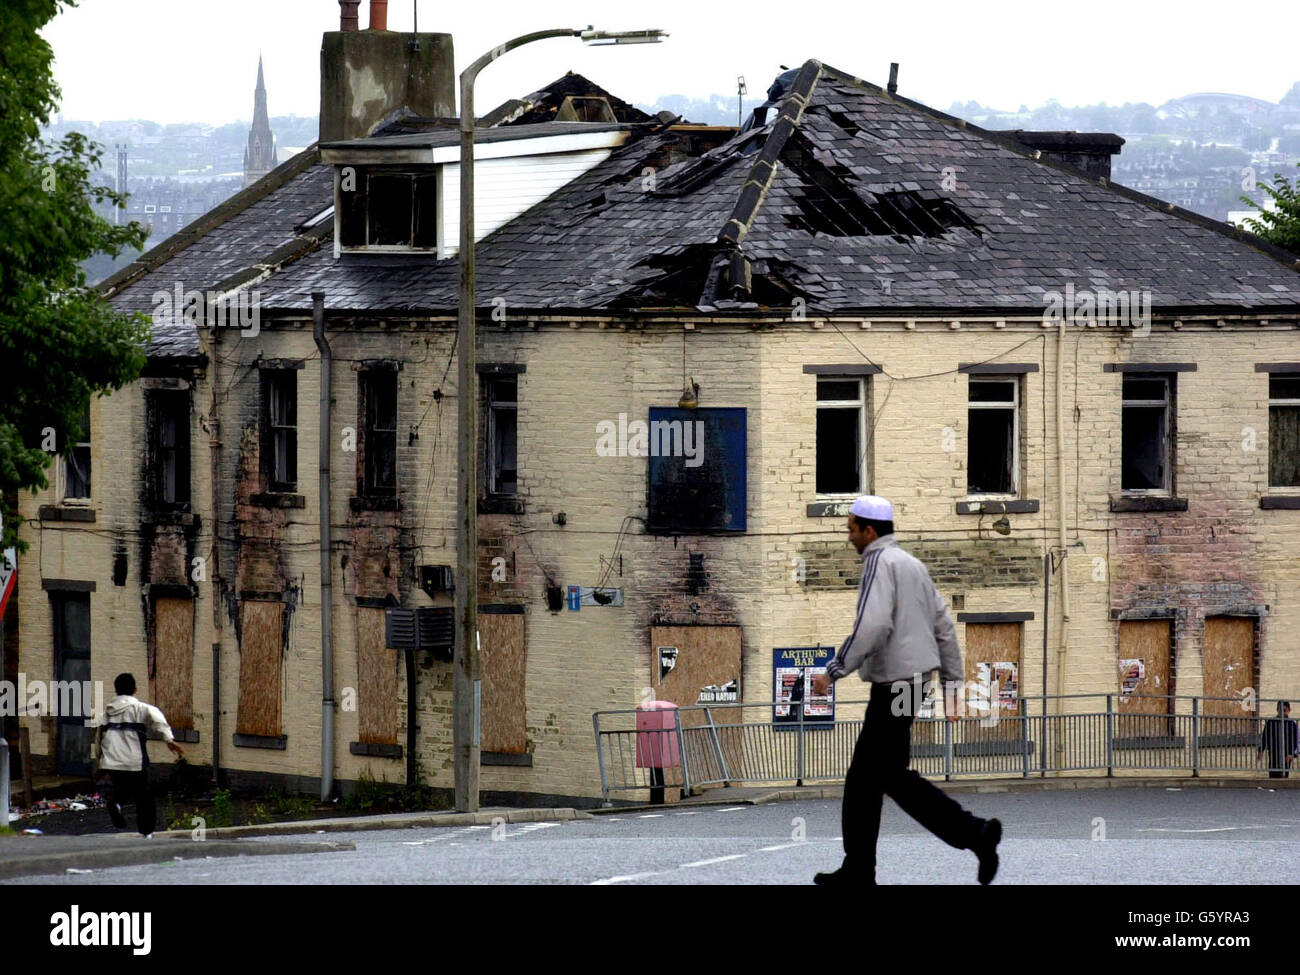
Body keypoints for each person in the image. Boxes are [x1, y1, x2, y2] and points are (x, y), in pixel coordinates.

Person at [811, 495, 1002, 885]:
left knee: (884, 777)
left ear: (869, 530)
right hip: (914, 685)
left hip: (893, 685)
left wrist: (833, 671)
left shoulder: (879, 563)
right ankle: (860, 869)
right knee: (873, 778)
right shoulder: (913, 566)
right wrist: (951, 686)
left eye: (851, 529)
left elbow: (872, 624)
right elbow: (944, 627)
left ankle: (975, 834)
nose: (848, 537)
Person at [94, 673, 183, 836]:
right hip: (134, 761)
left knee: (122, 789)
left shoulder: (105, 714)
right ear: (135, 690)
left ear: (116, 690)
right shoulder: (141, 708)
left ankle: (116, 803)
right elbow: (158, 720)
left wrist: (99, 764)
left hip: (111, 761)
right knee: (144, 796)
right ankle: (146, 831)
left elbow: (98, 738)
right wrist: (169, 739)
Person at [1259, 701, 1299, 779]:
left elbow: (1295, 740)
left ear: (1289, 710)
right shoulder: (1271, 722)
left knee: (1284, 774)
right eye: (1280, 710)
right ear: (1277, 710)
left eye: (1284, 710)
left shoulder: (1292, 724)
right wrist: (1261, 750)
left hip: (1286, 753)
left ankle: (1281, 789)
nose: (1282, 712)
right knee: (1273, 773)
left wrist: (1292, 753)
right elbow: (1265, 737)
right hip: (1274, 752)